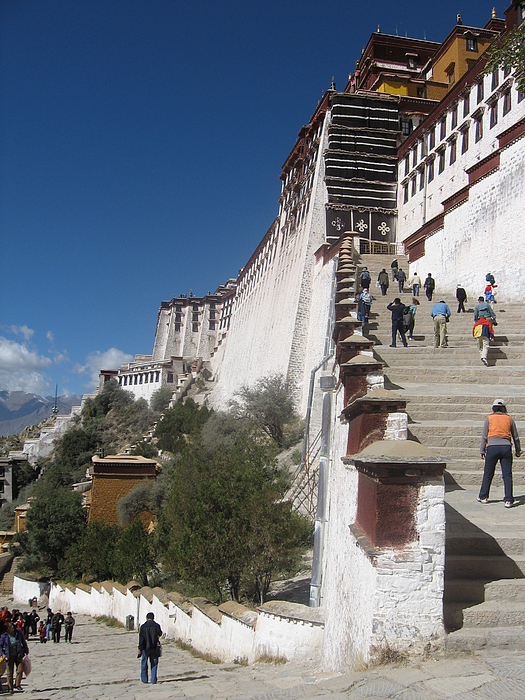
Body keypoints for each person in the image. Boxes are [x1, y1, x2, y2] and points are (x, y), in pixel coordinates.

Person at [478, 399, 521, 508]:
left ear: (493, 408)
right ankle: (508, 499)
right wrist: (518, 450)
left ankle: (483, 496)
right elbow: (515, 437)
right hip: (506, 447)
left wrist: (482, 450)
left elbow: (484, 436)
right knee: (507, 475)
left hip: (492, 447)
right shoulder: (509, 419)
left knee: (488, 473)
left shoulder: (489, 418)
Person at [2, 620, 28, 693]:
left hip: (18, 654)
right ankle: (10, 688)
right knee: (9, 673)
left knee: (20, 670)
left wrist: (26, 650)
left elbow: (23, 641)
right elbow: (0, 646)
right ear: (7, 629)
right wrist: (2, 654)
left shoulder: (18, 632)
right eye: (11, 626)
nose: (13, 627)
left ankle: (17, 684)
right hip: (9, 656)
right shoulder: (4, 636)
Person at [138, 612, 163, 685]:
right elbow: (160, 633)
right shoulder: (156, 626)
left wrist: (140, 648)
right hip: (154, 647)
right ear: (153, 618)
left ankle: (144, 679)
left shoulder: (143, 627)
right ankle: (153, 680)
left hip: (145, 648)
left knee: (144, 663)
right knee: (154, 663)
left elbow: (141, 639)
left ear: (146, 618)